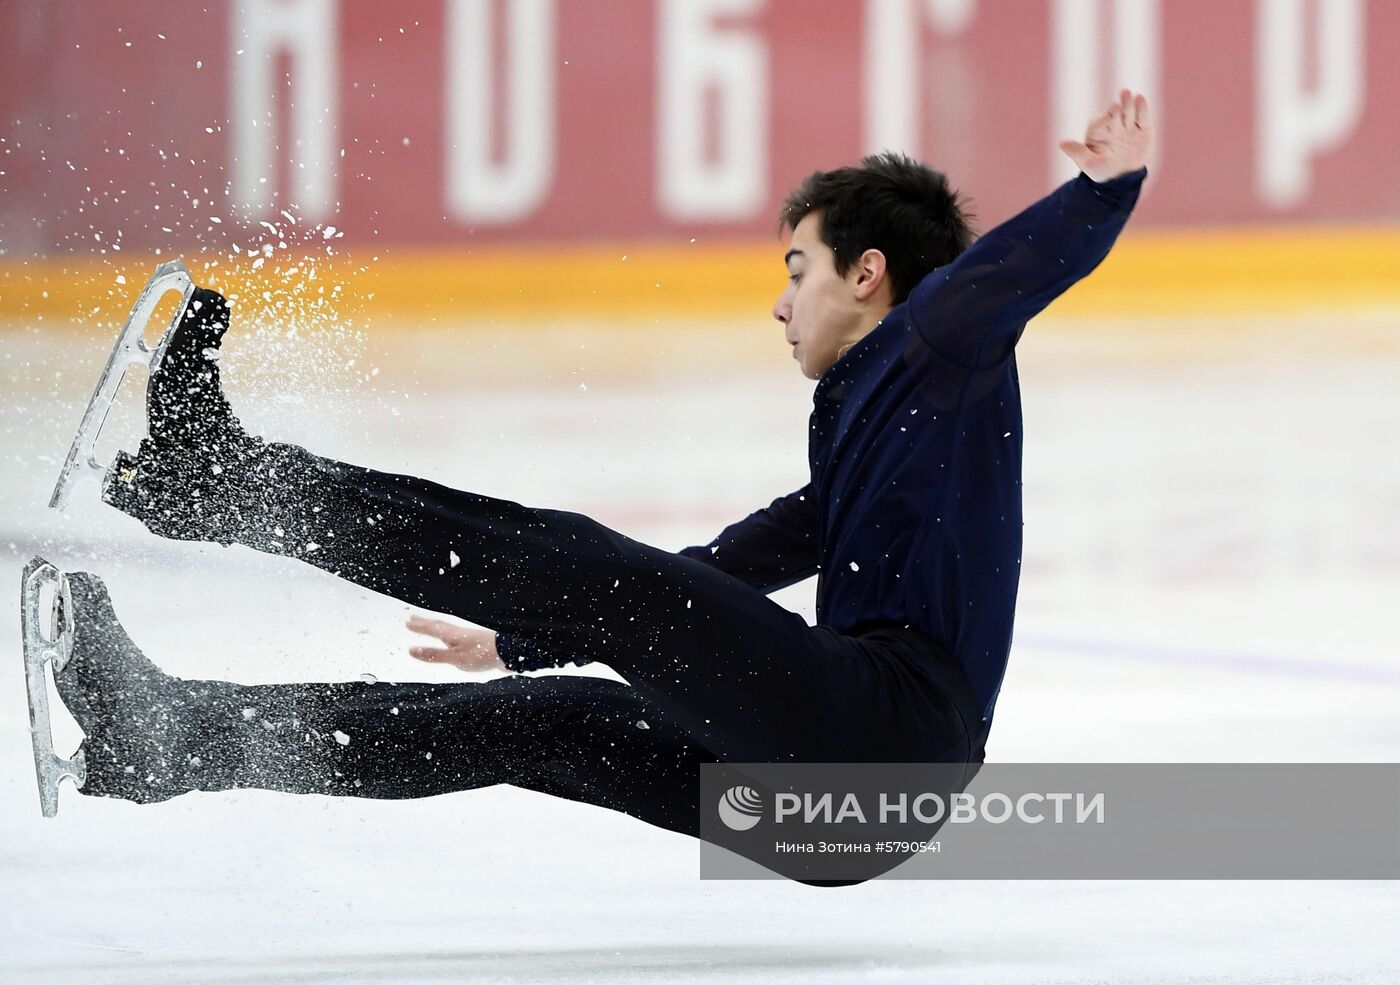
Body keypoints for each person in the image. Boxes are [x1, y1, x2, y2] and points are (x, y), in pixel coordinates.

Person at [51, 91, 1152, 884]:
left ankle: (219, 480)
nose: (780, 303)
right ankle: (160, 736)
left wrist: (1101, 189)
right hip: (859, 817)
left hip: (882, 740)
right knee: (541, 722)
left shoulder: (934, 340)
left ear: (869, 274)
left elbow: (1007, 275)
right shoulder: (867, 411)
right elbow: (752, 557)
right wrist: (529, 635)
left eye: (797, 269)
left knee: (590, 564)